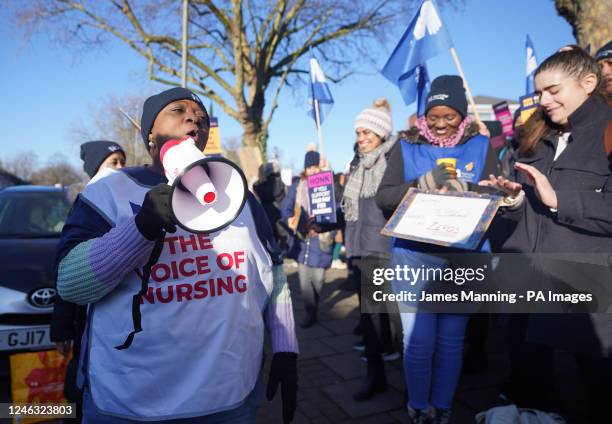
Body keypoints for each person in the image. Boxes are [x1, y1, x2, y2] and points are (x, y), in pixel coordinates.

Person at [55, 87, 299, 424]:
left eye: (200, 117)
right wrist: (141, 228)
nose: (192, 119)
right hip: (130, 404)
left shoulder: (238, 194)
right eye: (178, 110)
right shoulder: (107, 192)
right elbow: (69, 283)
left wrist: (286, 348)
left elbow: (274, 274)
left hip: (228, 397)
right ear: (150, 132)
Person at [480, 48, 612, 423]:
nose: (543, 101)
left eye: (553, 90)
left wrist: (559, 200)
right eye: (539, 93)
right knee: (534, 388)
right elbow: (536, 211)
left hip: (587, 289)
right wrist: (516, 201)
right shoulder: (539, 139)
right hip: (531, 284)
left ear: (588, 83)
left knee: (597, 391)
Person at [376, 75, 498, 424]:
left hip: (462, 259)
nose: (441, 124)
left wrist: (469, 188)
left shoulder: (480, 147)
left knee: (450, 342)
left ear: (463, 116)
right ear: (424, 116)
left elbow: (497, 198)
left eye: (450, 116)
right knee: (418, 343)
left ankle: (442, 406)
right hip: (415, 258)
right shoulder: (406, 147)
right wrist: (422, 184)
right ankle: (417, 405)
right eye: (434, 116)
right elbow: (383, 198)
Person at [51, 140, 126, 422]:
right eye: (113, 163)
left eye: (122, 162)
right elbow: (67, 274)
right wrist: (61, 327)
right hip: (87, 316)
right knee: (84, 378)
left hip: (116, 319)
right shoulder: (88, 207)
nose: (120, 168)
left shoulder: (125, 201)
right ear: (96, 168)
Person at [342, 98, 398, 401]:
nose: (361, 139)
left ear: (382, 134)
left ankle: (413, 379)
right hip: (363, 248)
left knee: (396, 318)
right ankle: (375, 377)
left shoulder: (392, 160)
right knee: (372, 317)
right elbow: (350, 206)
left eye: (367, 133)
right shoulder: (358, 164)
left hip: (386, 246)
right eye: (358, 133)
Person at [281, 149, 339, 328]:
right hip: (302, 239)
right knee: (304, 281)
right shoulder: (297, 185)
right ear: (305, 168)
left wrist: (323, 224)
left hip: (321, 239)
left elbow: (335, 209)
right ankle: (310, 311)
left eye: (315, 167)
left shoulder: (327, 185)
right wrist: (289, 218)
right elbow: (286, 208)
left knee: (318, 279)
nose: (312, 170)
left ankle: (314, 307)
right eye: (309, 167)